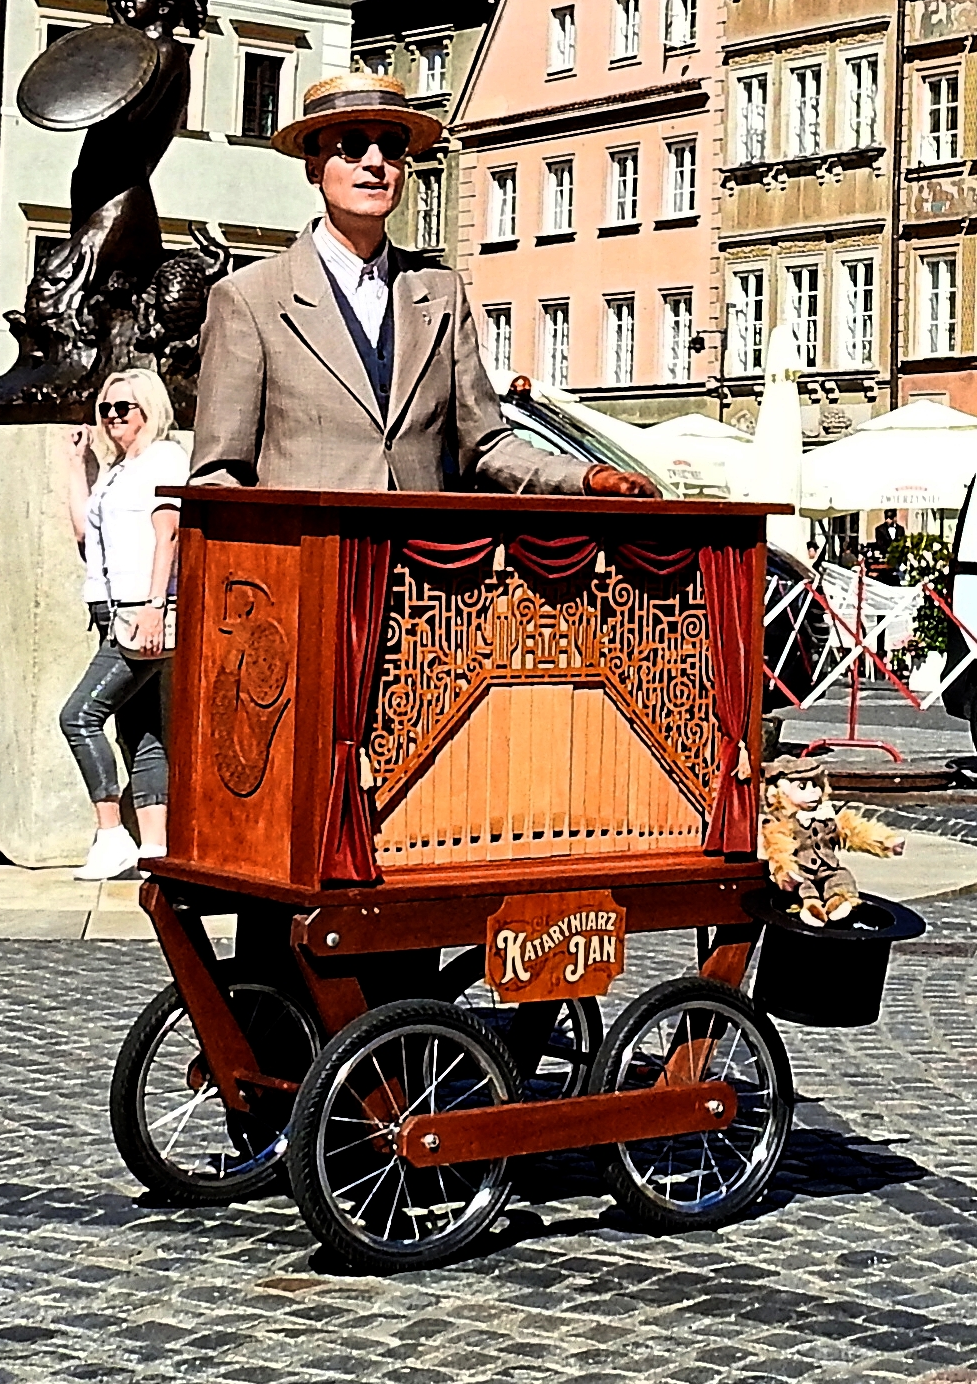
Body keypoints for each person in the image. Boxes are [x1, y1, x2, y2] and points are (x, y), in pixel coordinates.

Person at [191, 72, 657, 501]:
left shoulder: (440, 290)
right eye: (352, 147)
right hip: (307, 569)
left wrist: (585, 477)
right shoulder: (249, 298)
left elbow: (487, 444)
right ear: (314, 168)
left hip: (423, 567)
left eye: (391, 147)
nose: (375, 164)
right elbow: (219, 473)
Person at [58, 369, 189, 881]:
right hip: (109, 609)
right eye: (107, 408)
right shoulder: (116, 471)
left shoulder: (165, 458)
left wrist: (156, 605)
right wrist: (75, 465)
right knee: (141, 732)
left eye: (124, 409)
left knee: (79, 716)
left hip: (140, 609)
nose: (112, 418)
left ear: (149, 411)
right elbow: (83, 534)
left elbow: (169, 535)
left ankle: (111, 835)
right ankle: (155, 848)